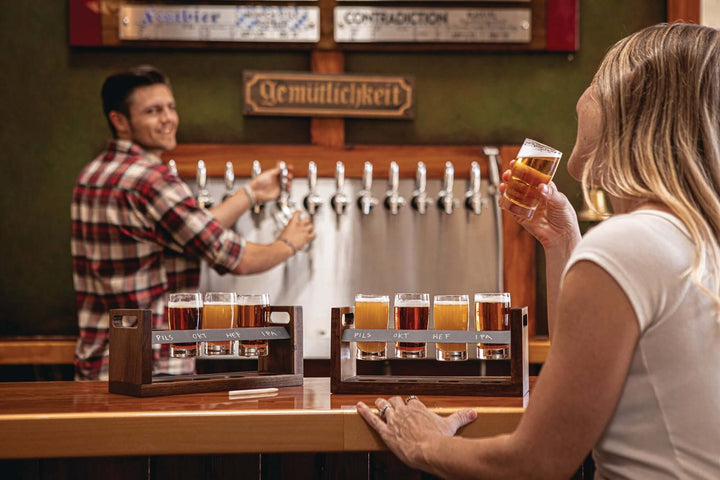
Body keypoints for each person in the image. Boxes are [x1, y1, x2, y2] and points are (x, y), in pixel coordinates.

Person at [357, 23, 720, 479]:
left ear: (632, 107)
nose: (582, 97)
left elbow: (536, 463)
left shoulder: (631, 242)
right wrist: (566, 242)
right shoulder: (693, 238)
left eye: (596, 82)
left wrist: (424, 444)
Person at [72, 65, 315, 380]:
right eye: (153, 111)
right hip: (153, 363)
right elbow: (235, 258)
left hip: (99, 362)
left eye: (171, 107)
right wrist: (290, 242)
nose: (168, 118)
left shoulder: (91, 174)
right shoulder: (151, 180)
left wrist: (251, 193)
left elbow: (187, 229)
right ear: (120, 121)